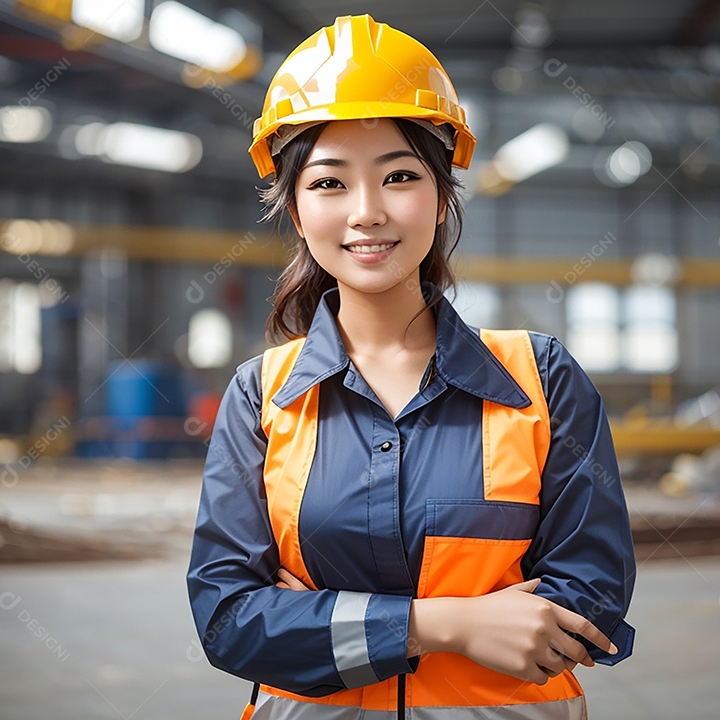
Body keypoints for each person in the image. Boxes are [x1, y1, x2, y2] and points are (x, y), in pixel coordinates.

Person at [187, 14, 635, 720]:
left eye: (398, 175)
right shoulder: (262, 396)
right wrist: (451, 625)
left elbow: (593, 600)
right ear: (297, 210)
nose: (367, 213)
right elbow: (229, 622)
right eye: (330, 183)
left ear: (442, 193)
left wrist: (318, 623)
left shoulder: (539, 379)